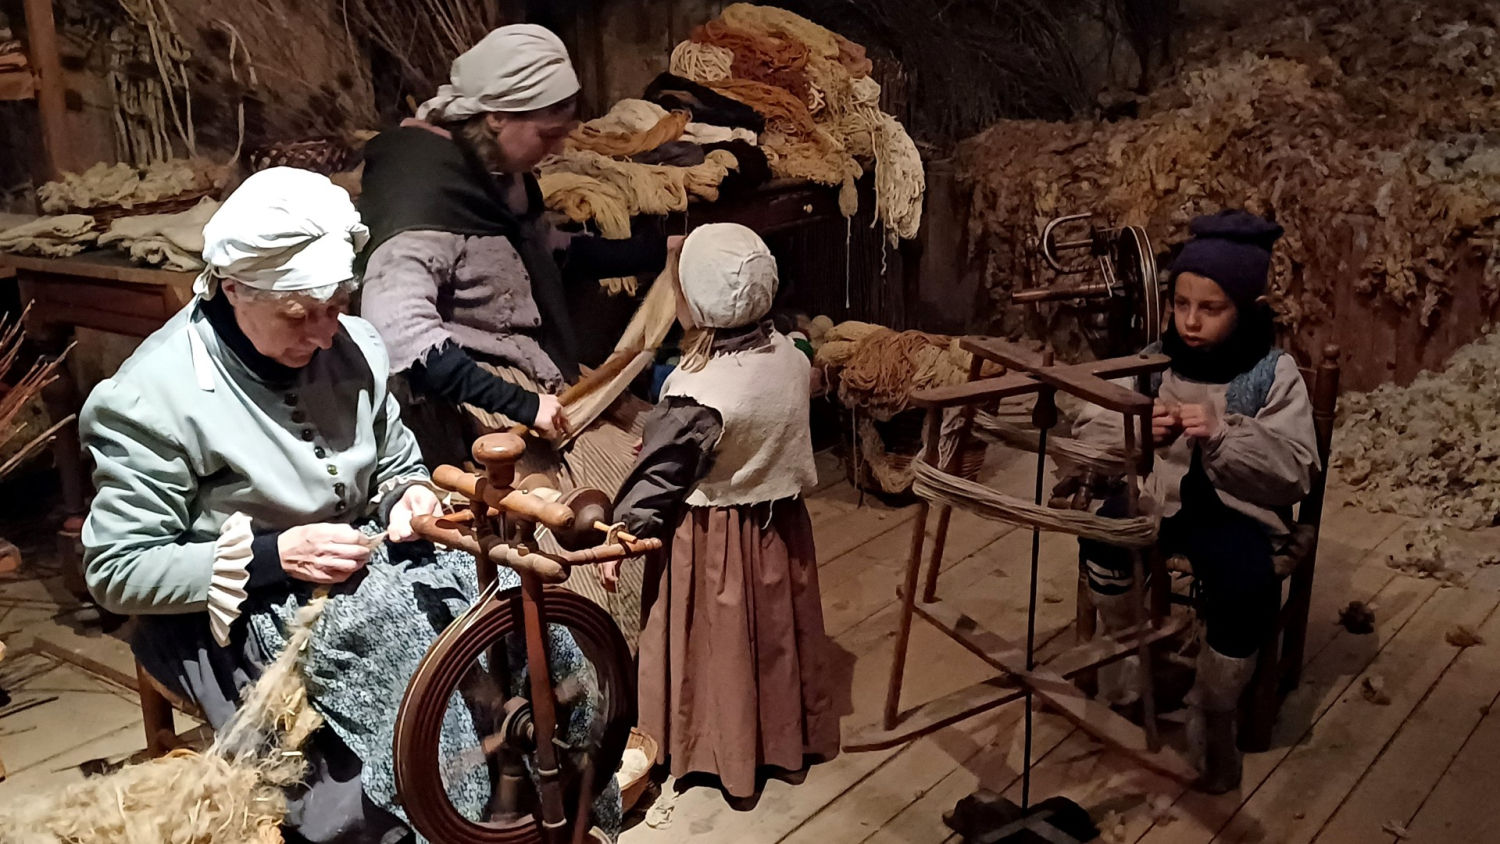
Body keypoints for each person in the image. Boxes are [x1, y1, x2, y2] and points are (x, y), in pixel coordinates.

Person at [80, 168, 619, 842]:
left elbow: (396, 460)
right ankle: (432, 817)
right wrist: (278, 555)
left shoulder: (354, 345)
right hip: (229, 609)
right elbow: (117, 570)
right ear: (235, 288)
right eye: (301, 314)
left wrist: (408, 492)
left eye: (338, 304)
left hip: (366, 557)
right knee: (386, 702)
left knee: (512, 601)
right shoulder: (150, 398)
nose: (329, 333)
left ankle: (554, 796)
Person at [1073, 210, 1319, 794]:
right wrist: (1135, 435)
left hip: (1236, 512)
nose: (1189, 321)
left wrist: (1226, 433)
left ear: (1247, 305)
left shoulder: (1272, 371)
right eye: (1181, 304)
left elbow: (1294, 471)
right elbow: (1089, 429)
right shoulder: (1155, 358)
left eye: (1210, 309)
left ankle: (1215, 706)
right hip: (1158, 501)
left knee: (1244, 578)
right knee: (1103, 533)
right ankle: (1133, 661)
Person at [358, 23, 679, 469]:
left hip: (540, 379)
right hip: (471, 410)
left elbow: (551, 254)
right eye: (548, 135)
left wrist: (666, 251)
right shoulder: (420, 199)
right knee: (628, 483)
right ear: (497, 117)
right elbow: (399, 335)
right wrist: (522, 404)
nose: (558, 147)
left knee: (673, 448)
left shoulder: (499, 178)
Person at [608, 223, 840, 799]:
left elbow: (658, 479)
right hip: (779, 529)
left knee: (718, 640)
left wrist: (621, 530)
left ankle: (716, 746)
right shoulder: (790, 355)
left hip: (711, 540)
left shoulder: (698, 393)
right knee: (774, 635)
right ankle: (783, 737)